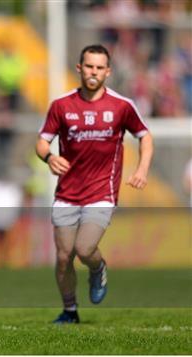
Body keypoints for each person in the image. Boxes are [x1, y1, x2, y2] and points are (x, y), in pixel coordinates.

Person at [35, 44, 153, 324]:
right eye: (89, 66)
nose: (94, 72)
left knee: (85, 248)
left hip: (102, 192)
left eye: (100, 68)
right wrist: (50, 157)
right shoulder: (61, 105)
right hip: (67, 193)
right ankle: (70, 311)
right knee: (64, 257)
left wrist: (142, 169)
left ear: (108, 72)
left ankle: (98, 267)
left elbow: (145, 136)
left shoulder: (122, 106)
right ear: (79, 68)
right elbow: (42, 142)